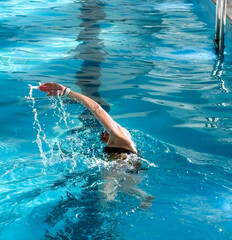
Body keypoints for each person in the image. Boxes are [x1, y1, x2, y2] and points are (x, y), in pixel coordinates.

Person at [39, 82, 137, 154]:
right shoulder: (118, 143)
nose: (101, 134)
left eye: (105, 131)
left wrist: (66, 92)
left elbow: (96, 108)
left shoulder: (118, 136)